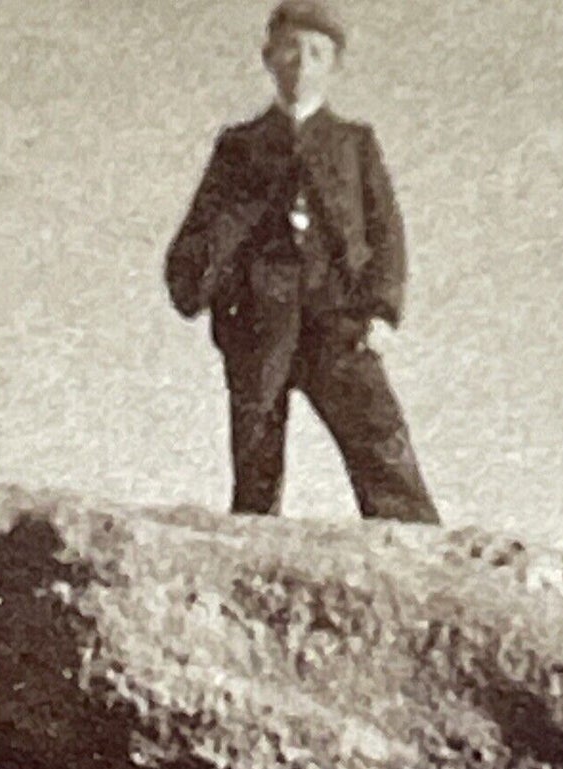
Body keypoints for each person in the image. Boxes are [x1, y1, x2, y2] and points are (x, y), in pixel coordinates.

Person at [165, 0, 440, 523]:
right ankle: (251, 556)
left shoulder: (353, 143)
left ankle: (422, 551)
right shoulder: (239, 147)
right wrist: (208, 293)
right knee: (256, 456)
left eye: (316, 52)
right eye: (290, 49)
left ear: (333, 66)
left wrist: (380, 310)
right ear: (270, 58)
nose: (302, 63)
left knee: (379, 439)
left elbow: (387, 233)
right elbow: (202, 228)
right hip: (259, 319)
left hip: (336, 317)